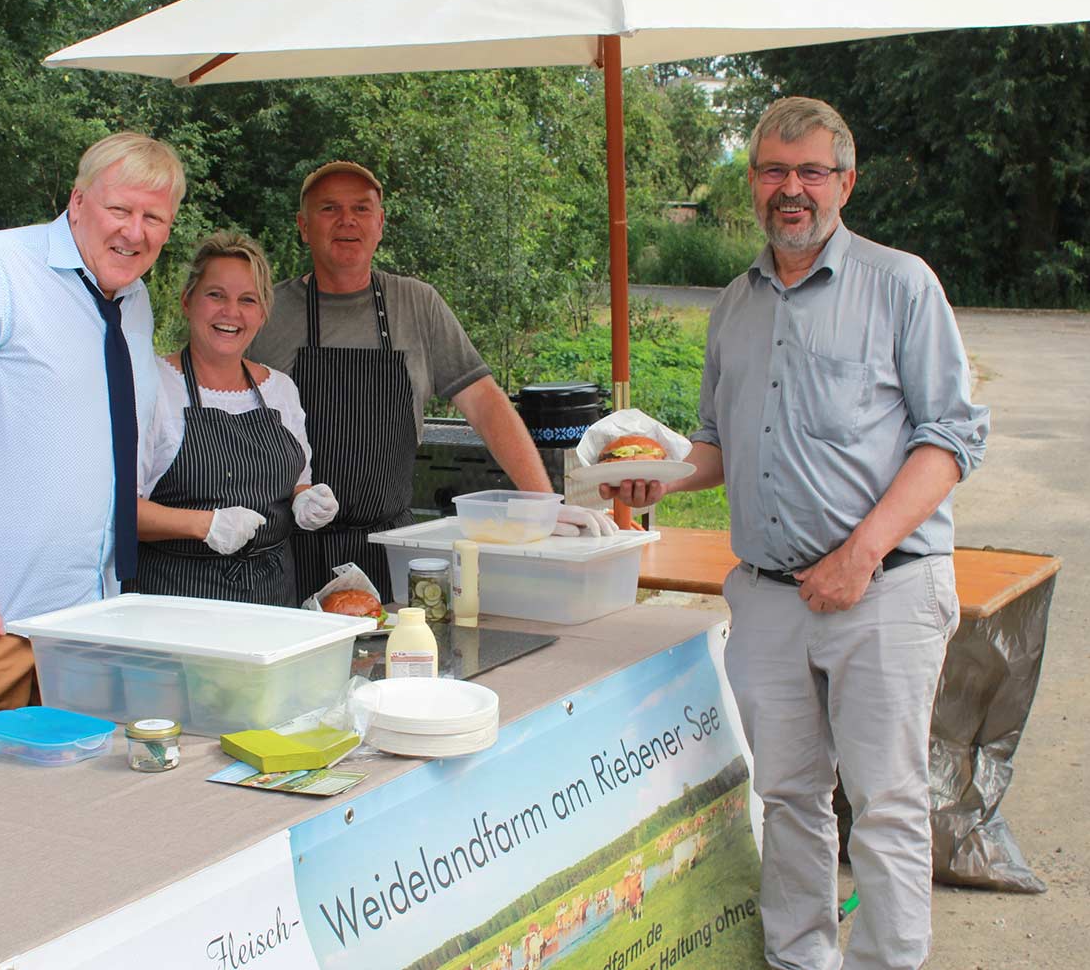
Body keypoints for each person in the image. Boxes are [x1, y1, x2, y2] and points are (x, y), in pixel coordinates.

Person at [606, 97, 989, 970]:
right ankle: (799, 961)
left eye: (811, 171)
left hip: (884, 589)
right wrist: (656, 472)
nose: (792, 189)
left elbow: (952, 438)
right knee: (787, 798)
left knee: (887, 804)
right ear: (752, 184)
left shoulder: (900, 284)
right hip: (772, 598)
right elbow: (716, 445)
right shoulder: (733, 305)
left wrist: (860, 555)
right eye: (774, 171)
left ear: (845, 182)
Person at [0, 131, 185, 751]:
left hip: (84, 613)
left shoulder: (133, 301)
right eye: (120, 210)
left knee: (64, 798)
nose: (135, 232)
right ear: (77, 202)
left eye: (154, 218)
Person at [246, 160, 615, 601]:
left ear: (380, 225)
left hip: (391, 552)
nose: (347, 221)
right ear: (303, 226)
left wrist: (543, 504)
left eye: (362, 209)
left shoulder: (416, 304)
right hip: (286, 555)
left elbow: (485, 403)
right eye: (329, 209)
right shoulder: (263, 313)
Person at [135, 232, 338, 605]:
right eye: (216, 295)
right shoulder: (151, 385)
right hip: (178, 604)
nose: (231, 312)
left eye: (248, 300)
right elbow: (118, 513)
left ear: (262, 315)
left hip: (272, 601)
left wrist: (306, 500)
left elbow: (297, 483)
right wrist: (204, 525)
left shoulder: (281, 390)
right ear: (187, 301)